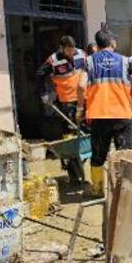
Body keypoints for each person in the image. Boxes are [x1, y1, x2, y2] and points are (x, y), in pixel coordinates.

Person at [79, 30, 132, 197]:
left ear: (97, 45)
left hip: (99, 116)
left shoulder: (89, 61)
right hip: (122, 114)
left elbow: (81, 87)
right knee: (124, 154)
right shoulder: (126, 61)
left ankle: (97, 190)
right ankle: (125, 192)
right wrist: (128, 102)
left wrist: (79, 108)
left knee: (98, 156)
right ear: (112, 42)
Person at [36, 35, 86, 181]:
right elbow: (39, 74)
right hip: (67, 103)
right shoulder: (53, 60)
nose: (71, 53)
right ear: (62, 48)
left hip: (83, 100)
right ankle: (72, 170)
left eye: (72, 50)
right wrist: (44, 93)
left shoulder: (82, 54)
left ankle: (81, 164)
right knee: (70, 137)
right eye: (68, 50)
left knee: (84, 134)